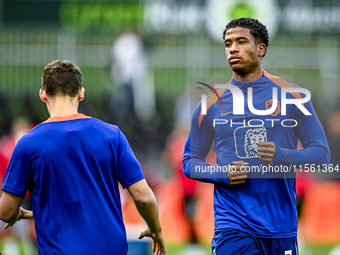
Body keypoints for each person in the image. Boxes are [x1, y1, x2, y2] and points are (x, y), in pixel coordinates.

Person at [182, 18, 330, 255]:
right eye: (228, 43)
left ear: (261, 49)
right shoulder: (210, 105)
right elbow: (189, 162)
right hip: (233, 225)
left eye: (241, 41)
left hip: (281, 227)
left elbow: (321, 155)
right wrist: (222, 173)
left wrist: (281, 155)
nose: (232, 48)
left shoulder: (292, 96)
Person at [0, 60, 166, 255]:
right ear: (81, 93)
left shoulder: (29, 143)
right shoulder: (112, 136)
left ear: (43, 95)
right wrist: (155, 228)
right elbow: (144, 197)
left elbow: (6, 212)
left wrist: (19, 213)